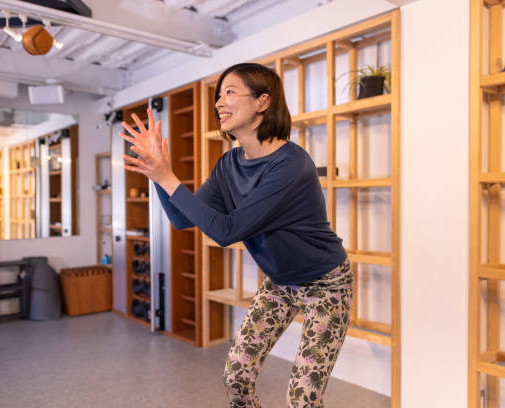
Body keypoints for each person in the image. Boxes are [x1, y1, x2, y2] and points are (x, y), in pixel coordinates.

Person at [120, 63, 352, 408]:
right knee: (236, 376)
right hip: (281, 282)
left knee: (303, 399)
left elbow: (228, 231)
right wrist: (157, 173)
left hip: (326, 285)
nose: (218, 103)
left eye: (230, 92)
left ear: (262, 102)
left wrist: (168, 177)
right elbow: (182, 218)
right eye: (218, 96)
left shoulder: (290, 163)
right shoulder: (229, 165)